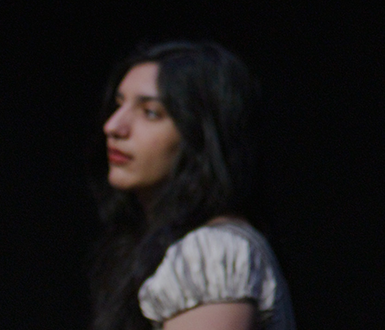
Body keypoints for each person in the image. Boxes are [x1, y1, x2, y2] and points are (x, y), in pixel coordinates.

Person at [90, 41, 295, 330]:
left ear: (199, 137)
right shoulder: (163, 245)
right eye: (119, 104)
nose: (113, 126)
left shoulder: (211, 253)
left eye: (150, 113)